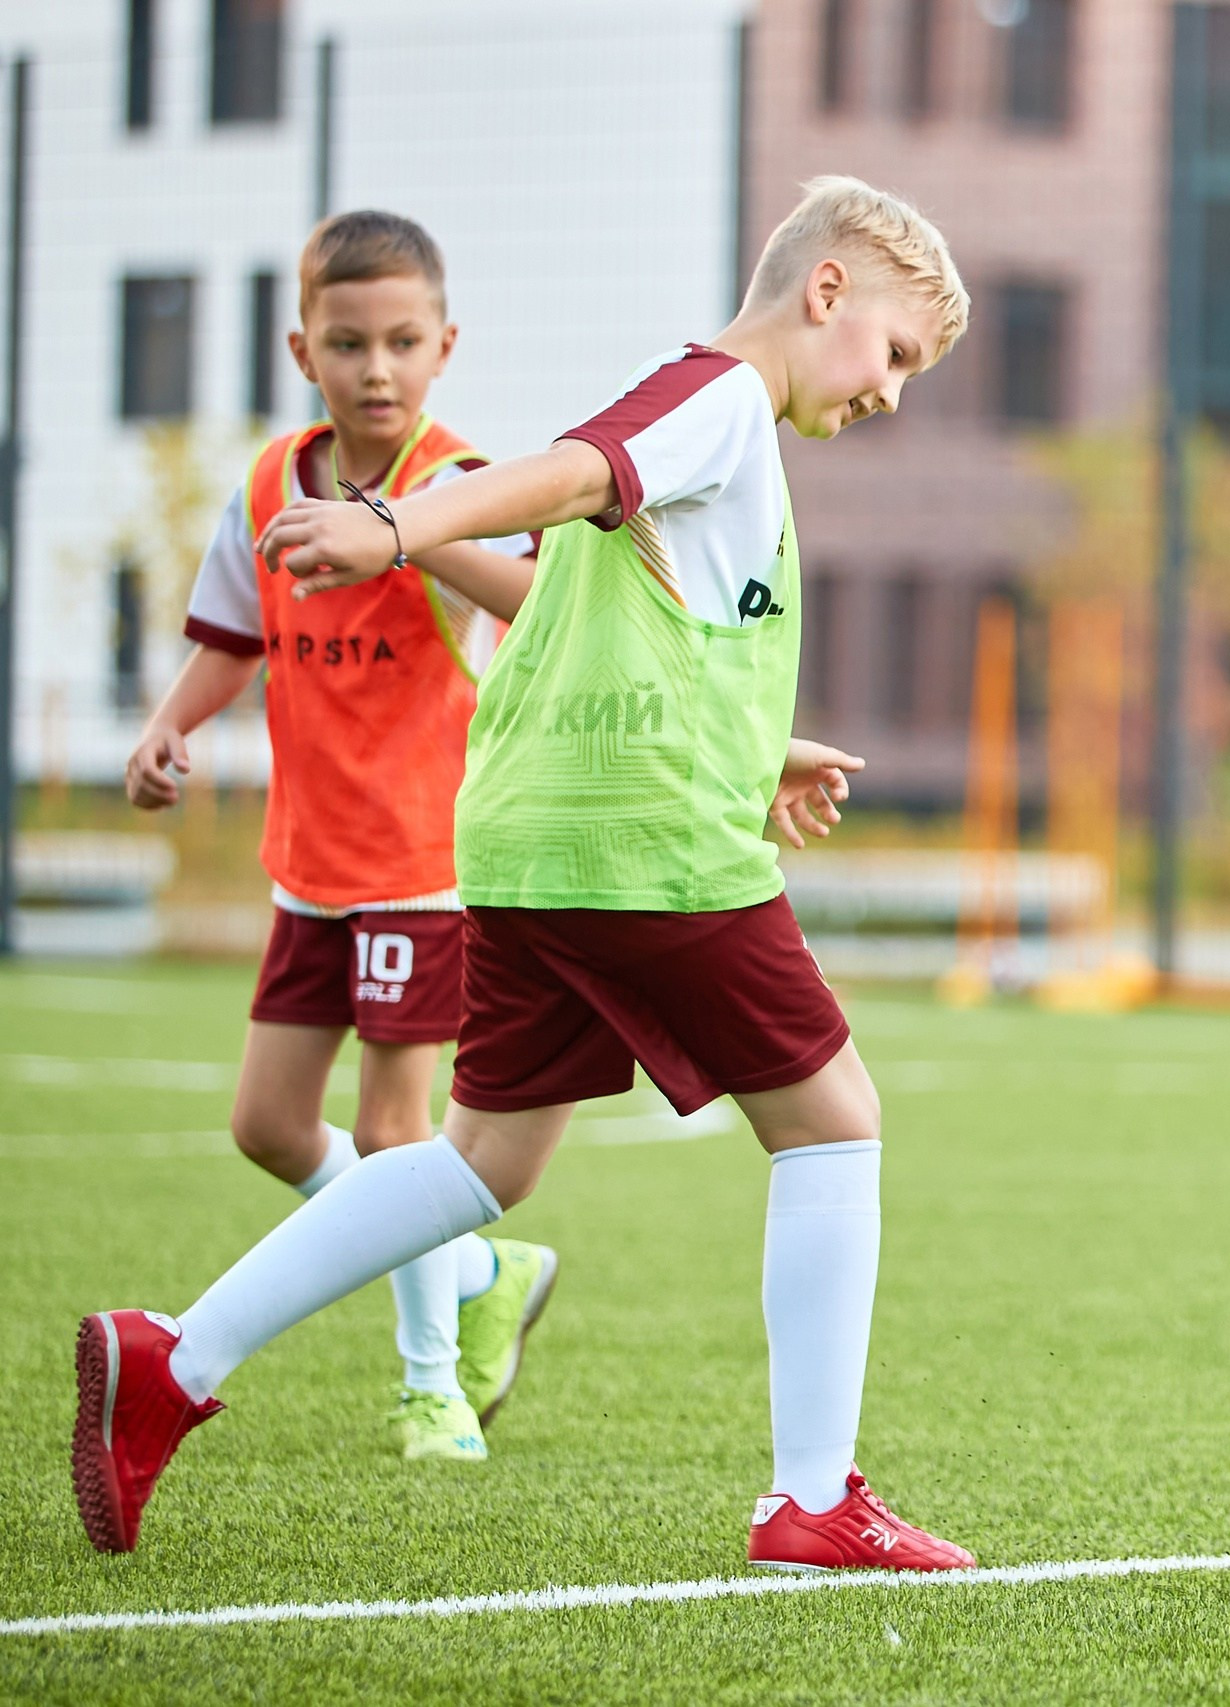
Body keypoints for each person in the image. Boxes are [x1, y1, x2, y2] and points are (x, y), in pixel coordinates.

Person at [72, 176, 974, 1573]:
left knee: (484, 1157)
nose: (895, 394)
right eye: (901, 355)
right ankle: (813, 1495)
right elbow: (565, 474)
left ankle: (173, 1359)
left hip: (529, 844)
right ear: (830, 291)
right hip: (641, 851)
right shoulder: (719, 395)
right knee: (833, 1120)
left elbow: (597, 610)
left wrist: (764, 746)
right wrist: (396, 529)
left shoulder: (714, 427)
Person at [122, 211, 554, 1466]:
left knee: (391, 1132)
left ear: (445, 345)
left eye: (404, 341)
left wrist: (431, 540)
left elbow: (542, 603)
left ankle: (434, 1390)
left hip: (422, 862)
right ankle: (473, 1267)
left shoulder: (462, 483)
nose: (378, 368)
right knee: (267, 1125)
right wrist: (168, 726)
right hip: (309, 867)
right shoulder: (268, 481)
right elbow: (228, 633)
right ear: (301, 345)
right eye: (350, 342)